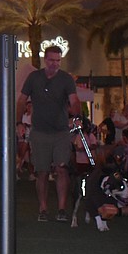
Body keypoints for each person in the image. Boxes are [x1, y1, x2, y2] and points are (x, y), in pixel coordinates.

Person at [16, 44, 80, 222]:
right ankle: (43, 208)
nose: (54, 64)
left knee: (61, 168)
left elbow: (74, 100)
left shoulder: (66, 79)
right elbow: (21, 100)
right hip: (39, 131)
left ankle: (61, 208)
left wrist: (77, 113)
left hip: (60, 132)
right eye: (51, 60)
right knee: (42, 171)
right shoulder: (34, 78)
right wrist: (19, 122)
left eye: (58, 60)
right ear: (45, 60)